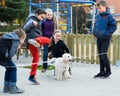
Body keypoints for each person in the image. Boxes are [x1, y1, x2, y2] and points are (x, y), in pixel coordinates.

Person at [23, 8, 51, 85]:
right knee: (48, 40)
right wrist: (32, 23)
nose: (42, 19)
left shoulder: (38, 20)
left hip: (33, 42)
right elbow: (25, 27)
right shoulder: (32, 18)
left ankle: (32, 76)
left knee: (36, 59)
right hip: (32, 38)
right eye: (41, 17)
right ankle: (36, 41)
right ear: (37, 14)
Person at [93, 0, 117, 78]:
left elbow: (114, 26)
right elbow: (95, 25)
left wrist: (106, 33)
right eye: (98, 8)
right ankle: (101, 71)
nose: (99, 10)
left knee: (103, 54)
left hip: (106, 38)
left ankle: (108, 71)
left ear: (105, 7)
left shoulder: (109, 16)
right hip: (99, 37)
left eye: (100, 8)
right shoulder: (98, 16)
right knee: (100, 55)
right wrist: (94, 32)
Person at [0, 29, 26, 94]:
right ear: (21, 37)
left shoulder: (7, 37)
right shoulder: (15, 41)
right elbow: (11, 54)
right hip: (3, 57)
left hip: (1, 56)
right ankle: (13, 88)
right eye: (24, 39)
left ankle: (6, 88)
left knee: (9, 68)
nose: (23, 41)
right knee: (13, 68)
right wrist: (17, 48)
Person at [41, 8, 58, 73]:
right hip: (45, 39)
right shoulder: (43, 22)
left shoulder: (54, 22)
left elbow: (55, 30)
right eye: (48, 15)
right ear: (46, 15)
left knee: (54, 52)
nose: (50, 16)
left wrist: (54, 37)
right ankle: (44, 66)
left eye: (51, 15)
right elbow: (42, 30)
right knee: (45, 53)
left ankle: (56, 66)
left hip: (52, 39)